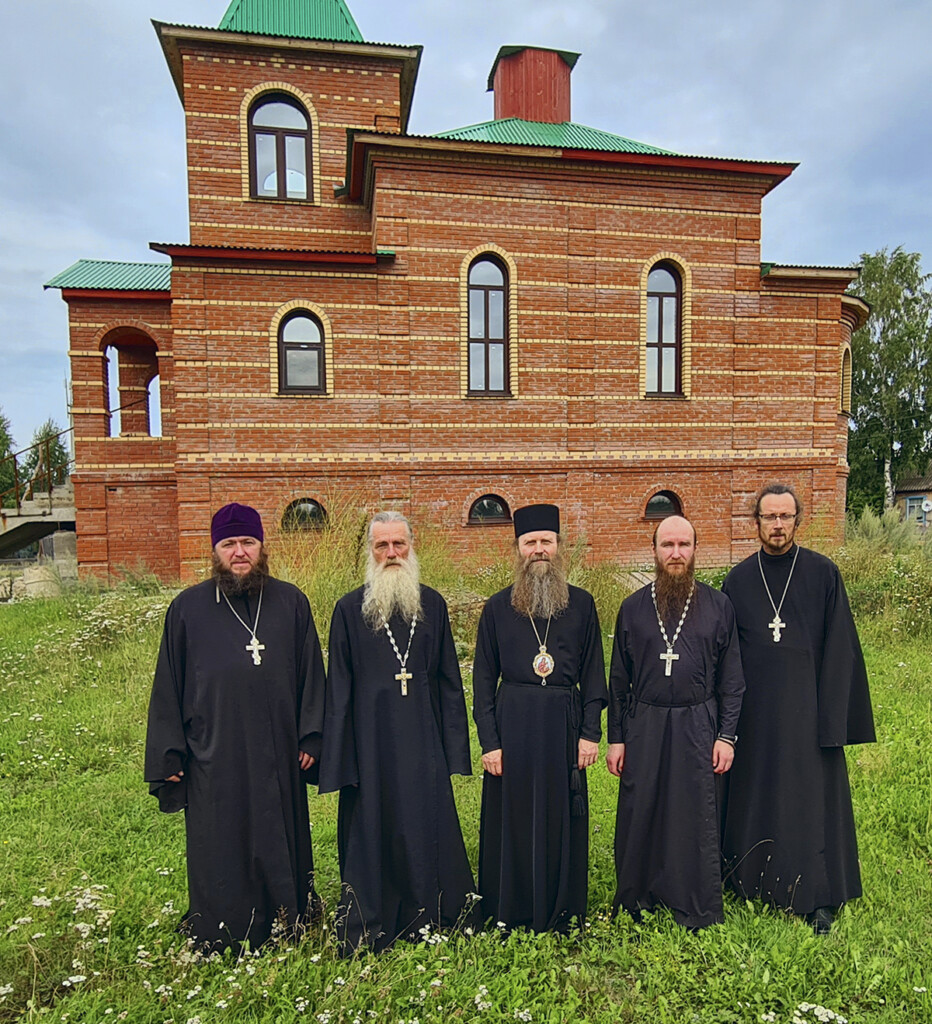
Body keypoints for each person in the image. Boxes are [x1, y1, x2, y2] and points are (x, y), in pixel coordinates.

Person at [144, 502, 326, 952]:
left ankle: (290, 915)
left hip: (279, 748)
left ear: (262, 547)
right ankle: (222, 924)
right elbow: (169, 684)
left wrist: (311, 735)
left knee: (280, 829)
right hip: (213, 751)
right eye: (229, 544)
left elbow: (311, 675)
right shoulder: (187, 609)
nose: (239, 552)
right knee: (219, 839)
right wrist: (169, 754)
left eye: (248, 542)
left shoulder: (291, 602)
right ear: (215, 551)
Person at [319, 511, 476, 954]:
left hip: (424, 742)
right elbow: (339, 691)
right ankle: (375, 916)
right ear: (369, 552)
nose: (391, 554)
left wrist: (453, 753)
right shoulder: (349, 609)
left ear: (412, 545)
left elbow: (448, 682)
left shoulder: (433, 605)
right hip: (370, 747)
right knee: (373, 825)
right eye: (382, 546)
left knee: (427, 823)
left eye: (399, 545)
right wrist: (342, 762)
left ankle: (433, 911)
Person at [721, 483, 875, 933]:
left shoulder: (823, 574)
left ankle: (819, 897)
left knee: (811, 804)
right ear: (756, 522)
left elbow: (841, 649)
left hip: (809, 715)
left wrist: (831, 721)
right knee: (760, 795)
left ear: (797, 520)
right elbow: (727, 655)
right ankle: (753, 882)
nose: (777, 525)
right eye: (769, 517)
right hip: (756, 715)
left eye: (785, 516)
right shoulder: (737, 580)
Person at [472, 503, 607, 932]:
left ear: (559, 547)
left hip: (563, 729)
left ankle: (563, 909)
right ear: (518, 550)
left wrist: (590, 734)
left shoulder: (582, 606)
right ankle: (510, 909)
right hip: (513, 729)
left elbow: (594, 678)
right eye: (530, 542)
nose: (539, 550)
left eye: (546, 541)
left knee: (562, 818)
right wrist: (490, 742)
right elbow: (480, 682)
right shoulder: (496, 609)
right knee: (512, 818)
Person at [606, 515, 745, 929]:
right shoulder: (632, 608)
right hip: (644, 722)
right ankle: (638, 896)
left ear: (695, 550)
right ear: (654, 550)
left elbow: (733, 681)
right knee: (641, 808)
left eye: (684, 545)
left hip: (699, 721)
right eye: (667, 545)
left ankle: (694, 901)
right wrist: (616, 739)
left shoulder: (718, 606)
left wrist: (727, 736)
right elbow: (618, 681)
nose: (676, 554)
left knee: (695, 812)